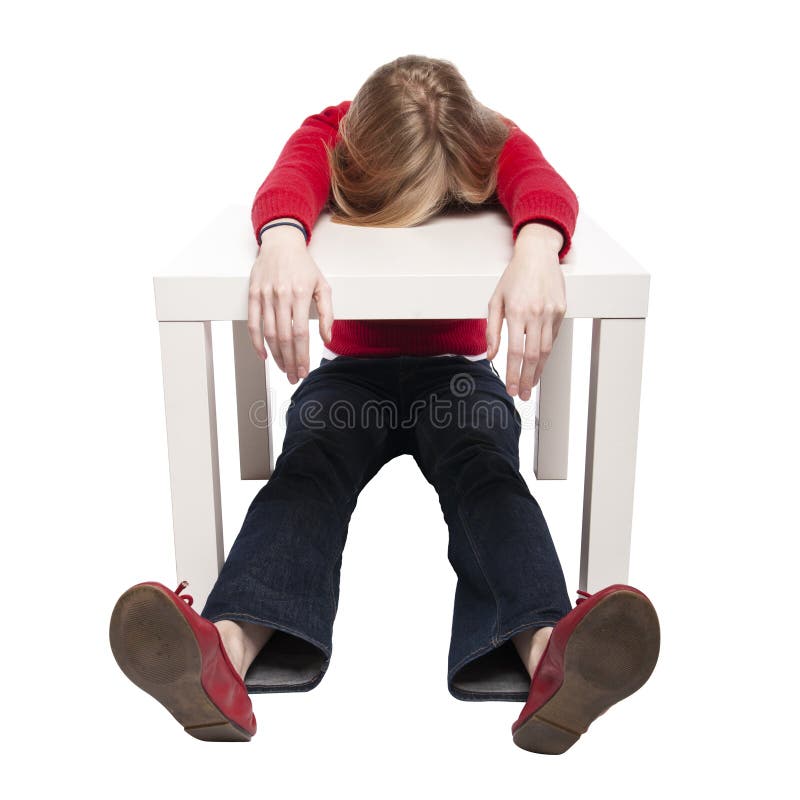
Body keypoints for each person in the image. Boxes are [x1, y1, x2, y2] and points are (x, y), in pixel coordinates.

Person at [109, 55, 660, 753]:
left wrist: (538, 245)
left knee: (485, 474)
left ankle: (551, 656)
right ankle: (223, 653)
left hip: (456, 374)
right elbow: (290, 176)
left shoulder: (489, 136)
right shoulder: (331, 133)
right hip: (353, 377)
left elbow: (541, 181)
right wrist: (281, 236)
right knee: (308, 473)